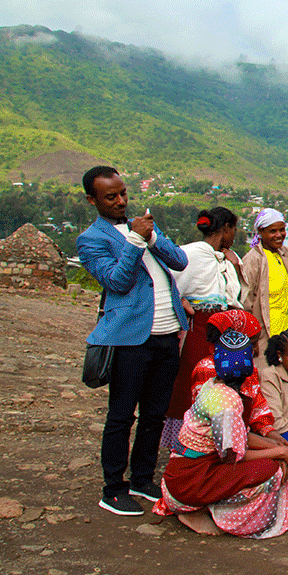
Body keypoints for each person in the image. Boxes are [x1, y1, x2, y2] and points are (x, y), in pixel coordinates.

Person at [78, 166, 189, 517]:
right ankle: (113, 488)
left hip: (166, 334)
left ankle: (142, 478)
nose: (121, 201)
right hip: (130, 340)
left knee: (154, 414)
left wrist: (151, 237)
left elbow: (180, 261)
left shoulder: (142, 226)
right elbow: (117, 281)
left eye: (123, 193)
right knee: (121, 416)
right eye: (110, 197)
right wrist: (136, 241)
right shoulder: (91, 239)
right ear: (92, 200)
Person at [153, 309, 288, 537]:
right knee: (271, 469)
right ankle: (208, 512)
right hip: (191, 481)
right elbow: (233, 455)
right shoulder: (227, 403)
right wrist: (280, 452)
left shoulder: (214, 385)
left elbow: (239, 434)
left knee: (274, 457)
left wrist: (274, 444)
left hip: (182, 474)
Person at [163, 206, 243, 450]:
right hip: (198, 328)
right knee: (192, 380)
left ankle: (210, 440)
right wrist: (182, 301)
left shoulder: (222, 258)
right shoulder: (193, 254)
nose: (234, 235)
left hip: (219, 330)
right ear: (226, 229)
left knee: (215, 382)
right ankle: (187, 440)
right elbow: (170, 284)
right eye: (234, 229)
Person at [240, 207, 288, 356]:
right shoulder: (253, 259)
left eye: (282, 230)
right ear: (261, 232)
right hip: (263, 335)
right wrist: (250, 338)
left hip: (284, 333)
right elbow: (246, 301)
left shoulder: (284, 254)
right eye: (273, 231)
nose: (279, 235)